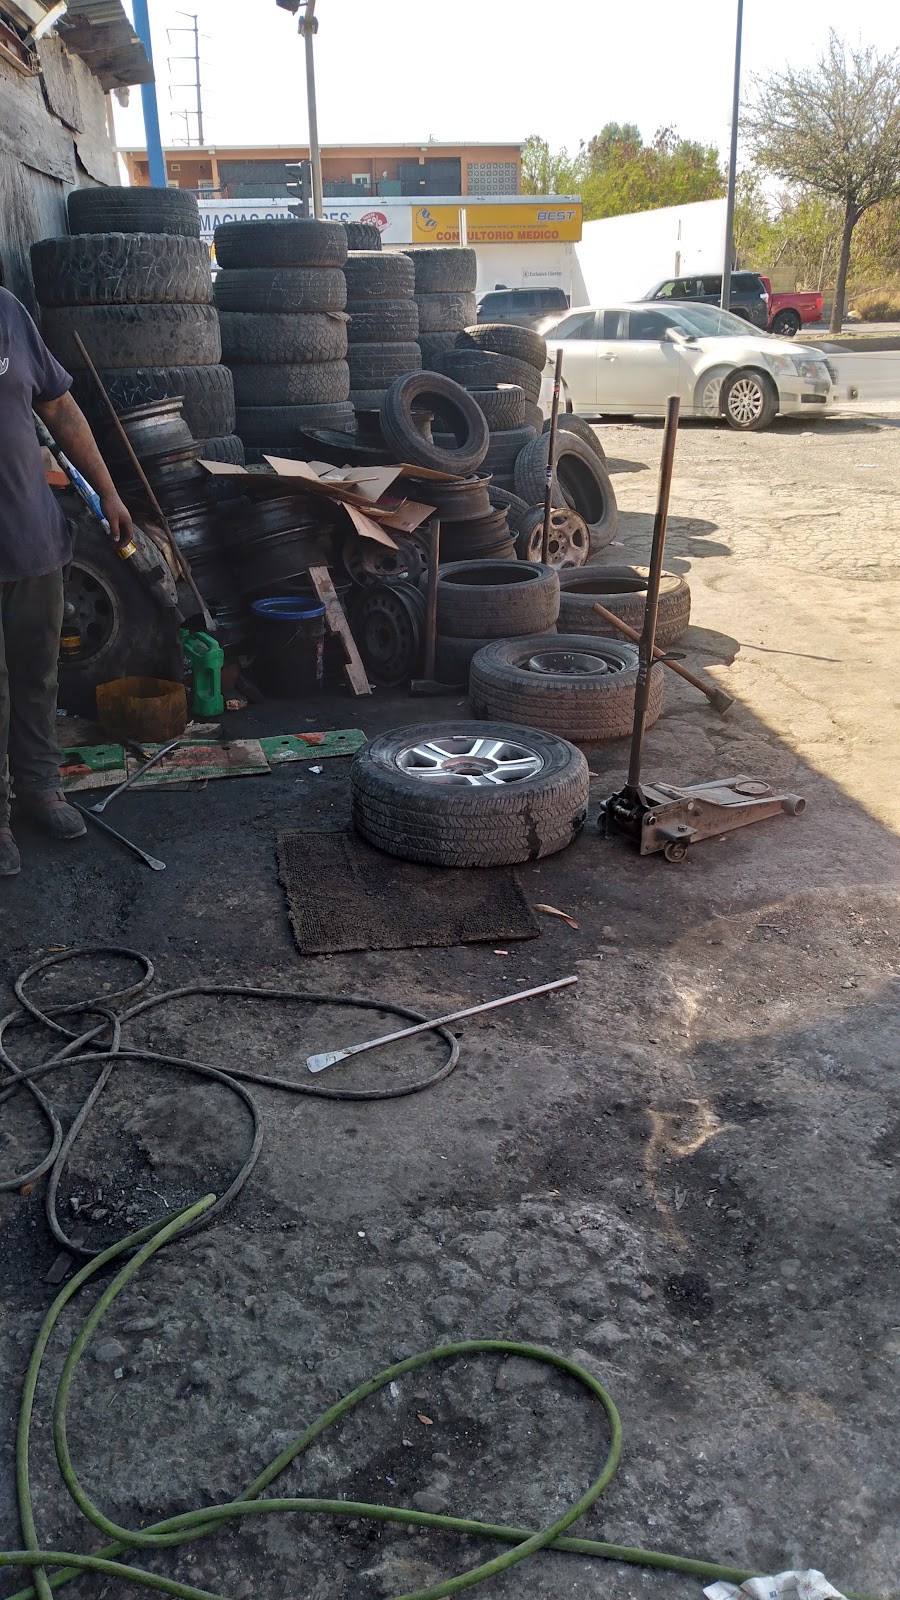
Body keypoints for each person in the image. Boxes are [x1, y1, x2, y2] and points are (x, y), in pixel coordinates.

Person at [0, 283, 133, 878]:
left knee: (37, 676)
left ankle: (40, 788)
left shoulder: (8, 312)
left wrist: (107, 492)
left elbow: (59, 408)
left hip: (31, 541)